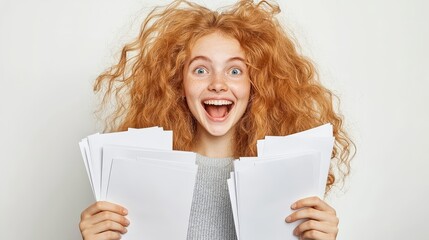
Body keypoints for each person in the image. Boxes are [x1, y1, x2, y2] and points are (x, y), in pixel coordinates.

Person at [79, 0, 355, 239]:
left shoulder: (285, 179)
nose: (218, 84)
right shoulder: (137, 178)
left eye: (235, 71)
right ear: (178, 84)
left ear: (255, 84)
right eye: (200, 70)